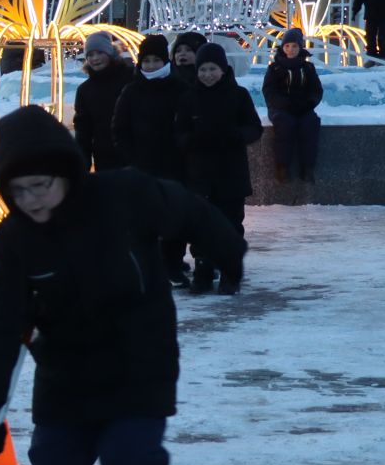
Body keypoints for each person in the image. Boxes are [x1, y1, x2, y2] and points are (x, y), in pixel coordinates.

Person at [0, 105, 244, 465]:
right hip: (65, 367)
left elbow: (188, 209)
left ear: (66, 172)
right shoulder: (14, 239)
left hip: (139, 355)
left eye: (41, 185)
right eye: (18, 191)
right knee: (54, 458)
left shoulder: (123, 194)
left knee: (130, 454)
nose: (31, 200)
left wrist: (226, 249)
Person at [174, 43, 262, 294]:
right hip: (199, 174)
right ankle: (203, 269)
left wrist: (234, 136)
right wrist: (192, 140)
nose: (207, 74)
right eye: (203, 69)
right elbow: (179, 133)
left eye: (212, 69)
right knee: (200, 225)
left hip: (231, 174)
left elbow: (254, 128)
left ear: (223, 69)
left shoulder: (238, 95)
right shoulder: (189, 98)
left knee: (231, 224)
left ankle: (229, 273)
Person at [111, 33, 191, 286]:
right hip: (142, 166)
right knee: (144, 220)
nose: (151, 66)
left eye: (156, 60)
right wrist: (132, 158)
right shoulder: (132, 91)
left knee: (174, 218)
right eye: (146, 61)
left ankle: (173, 265)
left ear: (165, 61)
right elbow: (119, 129)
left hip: (175, 165)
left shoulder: (181, 89)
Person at [261, 28, 324, 184]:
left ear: (300, 47)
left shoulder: (308, 68)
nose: (291, 49)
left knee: (310, 124)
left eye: (294, 46)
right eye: (287, 46)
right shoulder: (275, 68)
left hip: (303, 108)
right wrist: (283, 104)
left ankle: (307, 168)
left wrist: (309, 103)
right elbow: (269, 91)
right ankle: (282, 168)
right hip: (280, 109)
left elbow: (316, 90)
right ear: (283, 48)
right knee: (285, 125)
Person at [70, 30, 137, 173]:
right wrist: (83, 165)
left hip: (135, 154)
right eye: (90, 55)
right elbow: (83, 131)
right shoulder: (85, 90)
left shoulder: (130, 77)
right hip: (104, 156)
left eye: (99, 53)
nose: (95, 58)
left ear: (110, 53)